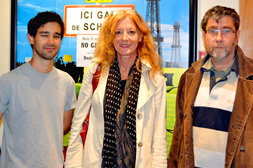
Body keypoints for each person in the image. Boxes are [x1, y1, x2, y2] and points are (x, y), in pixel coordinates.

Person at [65, 10, 167, 168]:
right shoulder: (95, 71)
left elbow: (159, 138)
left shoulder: (155, 79)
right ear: (111, 37)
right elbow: (78, 124)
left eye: (131, 32)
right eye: (118, 32)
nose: (124, 38)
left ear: (140, 36)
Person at [168, 5, 253, 168]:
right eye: (213, 31)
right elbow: (178, 136)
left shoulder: (250, 78)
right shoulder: (189, 77)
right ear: (204, 36)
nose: (219, 38)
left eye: (226, 31)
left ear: (238, 35)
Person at [0, 11, 76, 167]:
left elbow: (65, 125)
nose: (51, 41)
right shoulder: (9, 81)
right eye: (44, 34)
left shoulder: (67, 82)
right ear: (31, 38)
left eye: (56, 36)